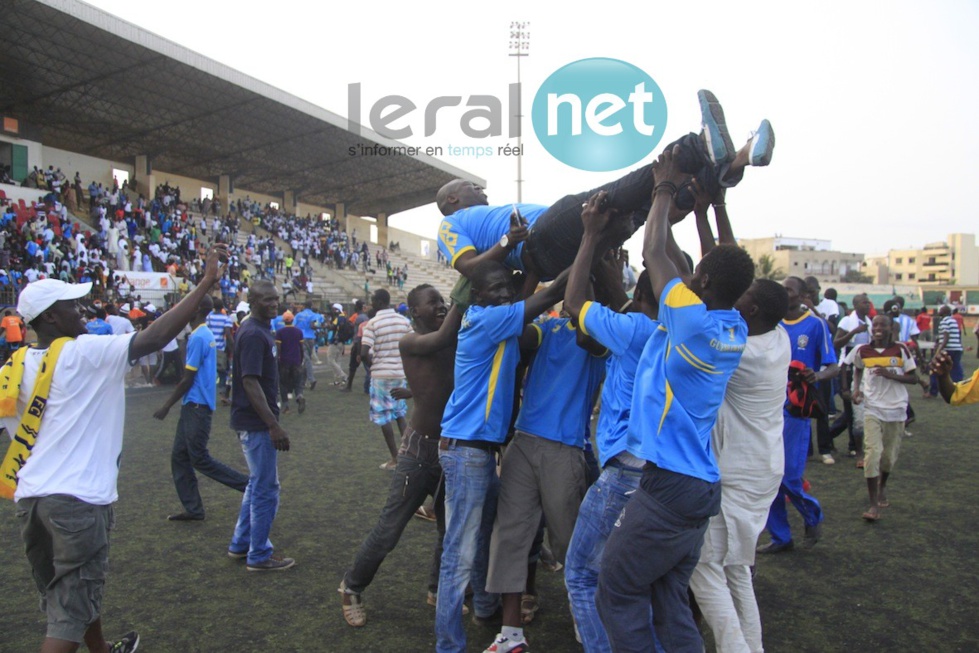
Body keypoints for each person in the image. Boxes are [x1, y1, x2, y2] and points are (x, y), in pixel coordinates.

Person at [1, 244, 228, 653]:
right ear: (51, 316)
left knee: (69, 592)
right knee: (69, 609)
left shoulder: (11, 369)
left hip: (31, 500)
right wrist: (206, 282)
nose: (83, 312)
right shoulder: (84, 352)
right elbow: (157, 335)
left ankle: (102, 650)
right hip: (78, 499)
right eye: (73, 306)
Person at [595, 144, 755, 653]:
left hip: (669, 487)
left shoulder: (688, 318)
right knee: (668, 599)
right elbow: (714, 267)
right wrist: (710, 207)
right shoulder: (734, 325)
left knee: (616, 592)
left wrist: (663, 185)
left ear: (702, 282)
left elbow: (655, 255)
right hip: (700, 488)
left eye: (697, 273)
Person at [435, 261, 568, 653]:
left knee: (479, 543)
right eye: (495, 289)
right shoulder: (486, 320)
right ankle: (447, 645)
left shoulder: (498, 318)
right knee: (458, 554)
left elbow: (525, 295)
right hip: (467, 452)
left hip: (477, 451)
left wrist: (525, 261)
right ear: (477, 297)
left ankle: (485, 611)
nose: (505, 294)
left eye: (507, 289)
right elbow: (547, 294)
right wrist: (587, 242)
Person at [562, 196, 665, 653]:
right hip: (666, 475)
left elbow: (573, 303)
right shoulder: (683, 331)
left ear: (641, 298)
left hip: (624, 471)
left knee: (583, 575)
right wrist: (610, 265)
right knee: (637, 583)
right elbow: (627, 302)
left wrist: (588, 237)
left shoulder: (635, 331)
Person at [482, 306, 606, 653]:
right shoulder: (546, 326)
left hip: (565, 449)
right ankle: (511, 634)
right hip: (523, 442)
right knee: (510, 535)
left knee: (570, 543)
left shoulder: (600, 330)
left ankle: (589, 622)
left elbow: (588, 337)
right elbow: (519, 335)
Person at [339, 285, 463, 627]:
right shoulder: (412, 340)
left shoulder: (449, 337)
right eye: (432, 302)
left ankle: (437, 590)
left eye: (442, 300)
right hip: (419, 451)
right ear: (414, 312)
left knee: (449, 528)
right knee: (390, 529)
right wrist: (465, 291)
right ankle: (351, 587)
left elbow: (439, 381)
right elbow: (436, 345)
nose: (440, 306)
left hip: (449, 450)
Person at [757, 277, 837, 553]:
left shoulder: (815, 325)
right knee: (769, 477)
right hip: (767, 407)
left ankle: (812, 514)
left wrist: (817, 374)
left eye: (789, 289)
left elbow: (833, 366)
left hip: (796, 409)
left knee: (789, 476)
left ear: (803, 296)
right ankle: (781, 537)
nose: (784, 292)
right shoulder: (771, 323)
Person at [153, 293, 249, 521]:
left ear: (195, 311)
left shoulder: (198, 337)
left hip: (197, 405)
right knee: (180, 456)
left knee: (198, 458)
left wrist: (166, 405)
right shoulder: (203, 334)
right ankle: (193, 508)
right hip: (195, 405)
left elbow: (187, 378)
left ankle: (248, 486)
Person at [227, 280, 295, 571]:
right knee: (267, 487)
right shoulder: (254, 334)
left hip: (254, 420)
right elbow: (249, 381)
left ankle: (242, 544)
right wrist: (272, 425)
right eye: (267, 300)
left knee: (256, 485)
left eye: (276, 299)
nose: (274, 304)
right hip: (256, 423)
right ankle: (259, 555)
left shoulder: (260, 330)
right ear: (252, 301)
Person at [849, 315, 917, 521]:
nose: (878, 328)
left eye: (882, 325)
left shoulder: (901, 349)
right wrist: (856, 389)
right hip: (873, 408)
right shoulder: (863, 350)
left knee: (888, 457)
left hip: (896, 409)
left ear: (890, 329)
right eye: (875, 325)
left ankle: (882, 485)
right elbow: (857, 369)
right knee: (872, 453)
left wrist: (890, 375)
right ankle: (873, 505)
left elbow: (914, 378)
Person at [361, 289, 412, 470]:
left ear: (380, 302)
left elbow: (364, 352)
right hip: (400, 372)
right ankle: (410, 454)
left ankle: (395, 458)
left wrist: (373, 365)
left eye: (373, 301)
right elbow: (412, 344)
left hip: (381, 375)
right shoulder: (404, 321)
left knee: (384, 416)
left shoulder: (372, 323)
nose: (371, 304)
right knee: (399, 413)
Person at [274, 310, 306, 414]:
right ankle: (299, 396)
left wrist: (277, 359)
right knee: (298, 382)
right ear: (293, 320)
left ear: (284, 320)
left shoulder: (280, 332)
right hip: (296, 360)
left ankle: (286, 405)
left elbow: (278, 348)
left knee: (283, 383)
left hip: (284, 361)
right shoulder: (298, 332)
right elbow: (301, 348)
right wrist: (301, 359)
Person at [206, 297, 235, 405]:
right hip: (220, 349)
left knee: (209, 372)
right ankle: (223, 394)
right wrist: (233, 347)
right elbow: (227, 334)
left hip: (209, 348)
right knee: (223, 371)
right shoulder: (226, 319)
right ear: (222, 307)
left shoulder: (208, 317)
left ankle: (206, 395)